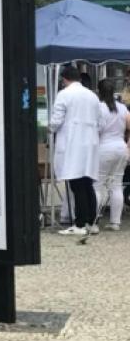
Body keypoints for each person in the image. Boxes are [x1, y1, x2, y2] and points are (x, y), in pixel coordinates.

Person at [52, 65, 102, 236]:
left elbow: (56, 120)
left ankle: (80, 223)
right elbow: (100, 122)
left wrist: (50, 129)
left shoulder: (64, 94)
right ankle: (91, 222)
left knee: (77, 185)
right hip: (90, 143)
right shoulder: (92, 96)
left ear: (64, 79)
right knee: (88, 183)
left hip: (72, 143)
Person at [95, 78, 130, 231]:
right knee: (116, 185)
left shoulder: (98, 108)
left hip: (103, 147)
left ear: (99, 91)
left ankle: (94, 221)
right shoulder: (123, 108)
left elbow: (97, 130)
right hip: (120, 147)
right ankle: (115, 222)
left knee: (97, 185)